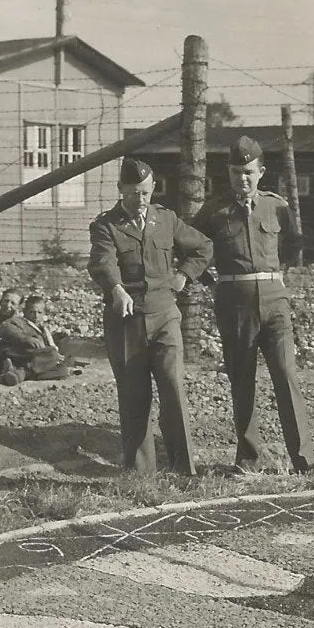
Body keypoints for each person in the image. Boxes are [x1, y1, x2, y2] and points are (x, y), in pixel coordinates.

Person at [192, 135, 314, 474]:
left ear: (261, 172)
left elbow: (293, 245)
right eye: (235, 172)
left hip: (275, 301)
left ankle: (304, 460)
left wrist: (275, 277)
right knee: (242, 379)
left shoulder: (276, 206)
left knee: (286, 375)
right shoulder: (214, 211)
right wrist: (209, 282)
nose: (241, 179)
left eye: (247, 172)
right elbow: (188, 248)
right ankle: (248, 459)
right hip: (234, 302)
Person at [88, 156, 213, 475]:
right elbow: (103, 261)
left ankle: (185, 469)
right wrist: (116, 289)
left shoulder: (167, 219)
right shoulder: (106, 225)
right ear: (120, 190)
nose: (139, 200)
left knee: (173, 388)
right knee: (134, 396)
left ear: (153, 188)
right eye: (132, 193)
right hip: (127, 320)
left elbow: (203, 247)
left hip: (164, 316)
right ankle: (141, 474)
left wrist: (184, 275)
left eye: (145, 193)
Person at [0, 294, 72, 382]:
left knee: (62, 370)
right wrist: (25, 338)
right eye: (31, 312)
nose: (36, 316)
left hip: (37, 360)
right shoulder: (19, 321)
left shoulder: (43, 329)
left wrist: (59, 337)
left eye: (39, 313)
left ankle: (18, 374)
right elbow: (6, 328)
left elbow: (45, 343)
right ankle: (23, 371)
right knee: (52, 354)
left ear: (44, 313)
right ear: (24, 311)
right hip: (22, 355)